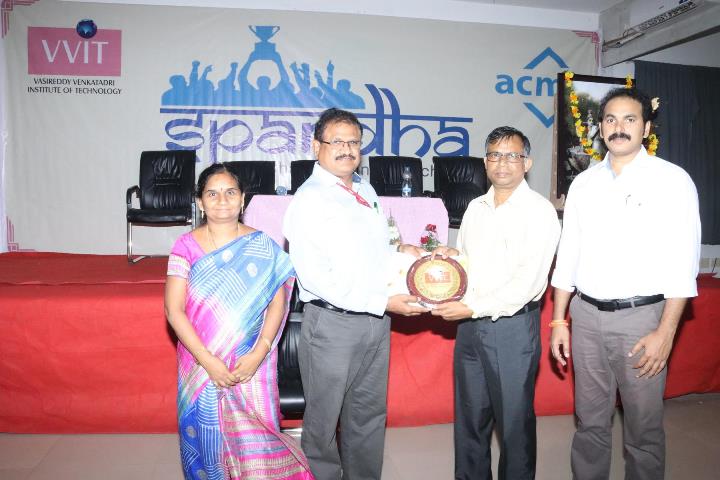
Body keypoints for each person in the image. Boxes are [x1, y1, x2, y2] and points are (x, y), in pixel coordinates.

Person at [550, 87, 701, 480]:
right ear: (600, 129)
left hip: (641, 320)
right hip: (585, 317)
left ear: (646, 127)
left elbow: (684, 264)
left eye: (629, 119)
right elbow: (569, 254)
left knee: (643, 430)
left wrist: (666, 333)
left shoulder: (672, 180)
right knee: (589, 424)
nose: (619, 128)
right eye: (611, 120)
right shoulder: (584, 183)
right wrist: (558, 321)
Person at [282, 108, 428, 480]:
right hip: (333, 324)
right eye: (337, 142)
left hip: (376, 321)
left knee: (367, 415)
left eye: (354, 142)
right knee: (322, 424)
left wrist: (403, 251)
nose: (347, 149)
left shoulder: (364, 189)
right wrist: (383, 303)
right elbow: (316, 276)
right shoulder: (309, 200)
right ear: (317, 146)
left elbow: (375, 248)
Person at [165, 163, 313, 480]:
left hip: (251, 362)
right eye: (212, 194)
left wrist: (259, 352)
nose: (222, 200)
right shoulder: (185, 247)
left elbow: (279, 302)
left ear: (242, 199)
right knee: (206, 435)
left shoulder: (263, 246)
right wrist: (208, 362)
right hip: (200, 363)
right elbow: (174, 310)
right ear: (200, 202)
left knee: (256, 438)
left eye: (230, 192)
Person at [431, 126, 560, 480]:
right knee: (470, 421)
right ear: (485, 161)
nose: (502, 163)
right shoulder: (476, 207)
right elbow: (472, 260)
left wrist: (473, 308)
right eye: (494, 155)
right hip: (470, 328)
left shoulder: (540, 211)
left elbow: (529, 282)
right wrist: (452, 256)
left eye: (511, 155)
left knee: (514, 424)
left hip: (513, 328)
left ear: (526, 162)